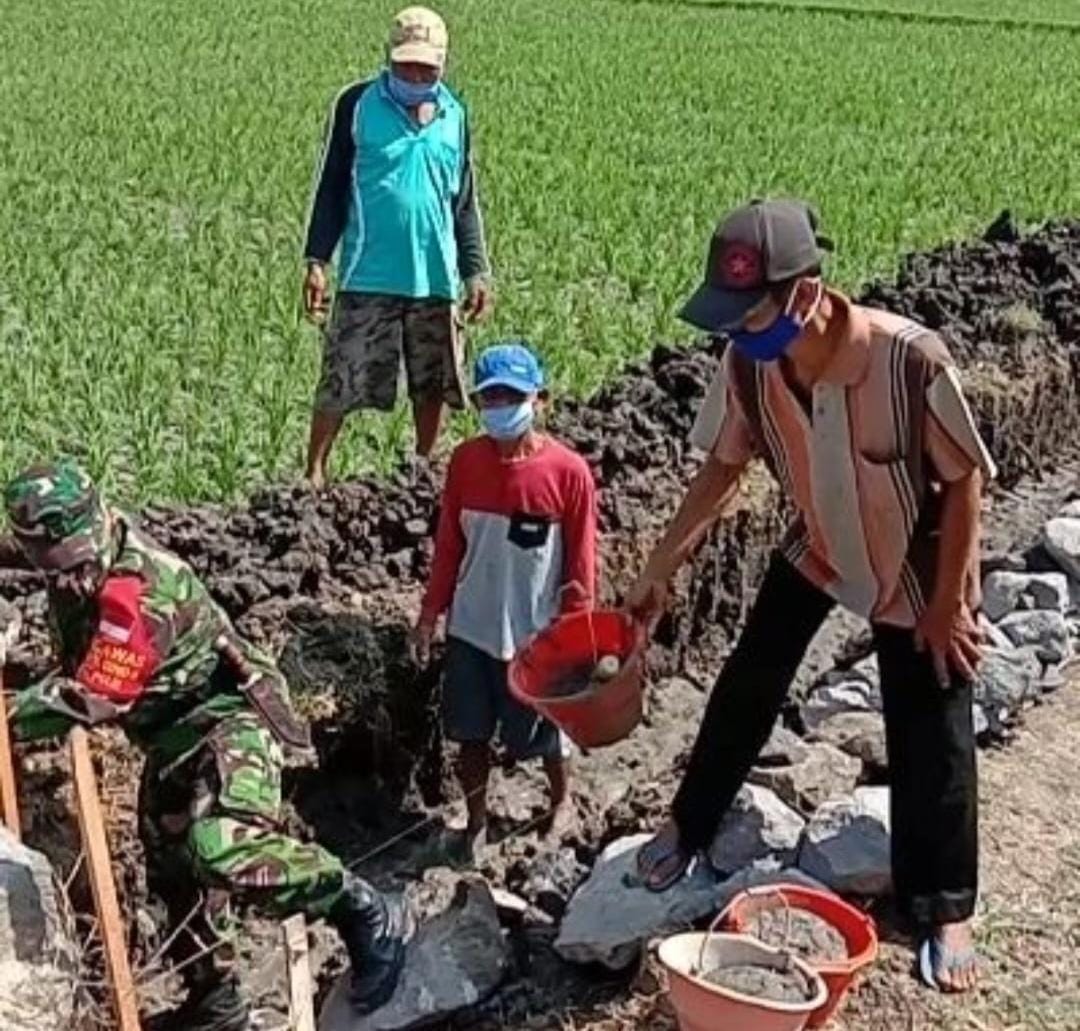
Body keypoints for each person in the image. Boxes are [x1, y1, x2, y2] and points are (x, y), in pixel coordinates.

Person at [626, 199, 996, 993]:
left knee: (934, 713)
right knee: (751, 672)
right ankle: (689, 823)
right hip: (821, 541)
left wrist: (949, 602)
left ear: (805, 294)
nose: (738, 330)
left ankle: (943, 903)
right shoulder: (747, 364)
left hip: (914, 556)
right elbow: (720, 470)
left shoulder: (910, 359)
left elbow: (966, 479)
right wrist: (660, 565)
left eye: (750, 311)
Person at [2, 459, 407, 1030]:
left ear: (97, 530)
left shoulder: (140, 593)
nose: (65, 581)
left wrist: (10, 715)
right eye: (51, 566)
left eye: (73, 565)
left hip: (225, 722)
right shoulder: (71, 556)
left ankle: (363, 907)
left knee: (221, 848)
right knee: (173, 871)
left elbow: (95, 696)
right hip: (170, 737)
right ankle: (218, 1007)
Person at [411, 341, 597, 857]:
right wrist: (430, 615)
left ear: (540, 400)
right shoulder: (466, 463)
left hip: (536, 628)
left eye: (510, 397)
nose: (499, 408)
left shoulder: (568, 474)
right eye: (489, 399)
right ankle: (475, 820)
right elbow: (449, 543)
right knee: (470, 731)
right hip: (472, 624)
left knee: (545, 730)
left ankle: (560, 803)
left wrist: (578, 632)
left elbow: (581, 562)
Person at [301, 5, 492, 487]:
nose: (415, 74)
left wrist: (477, 270)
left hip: (435, 276)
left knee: (434, 382)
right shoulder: (357, 106)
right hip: (369, 271)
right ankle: (314, 472)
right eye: (406, 65)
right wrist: (317, 260)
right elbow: (331, 188)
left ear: (442, 65)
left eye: (426, 68)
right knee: (341, 376)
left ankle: (424, 471)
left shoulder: (455, 115)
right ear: (390, 58)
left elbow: (464, 202)